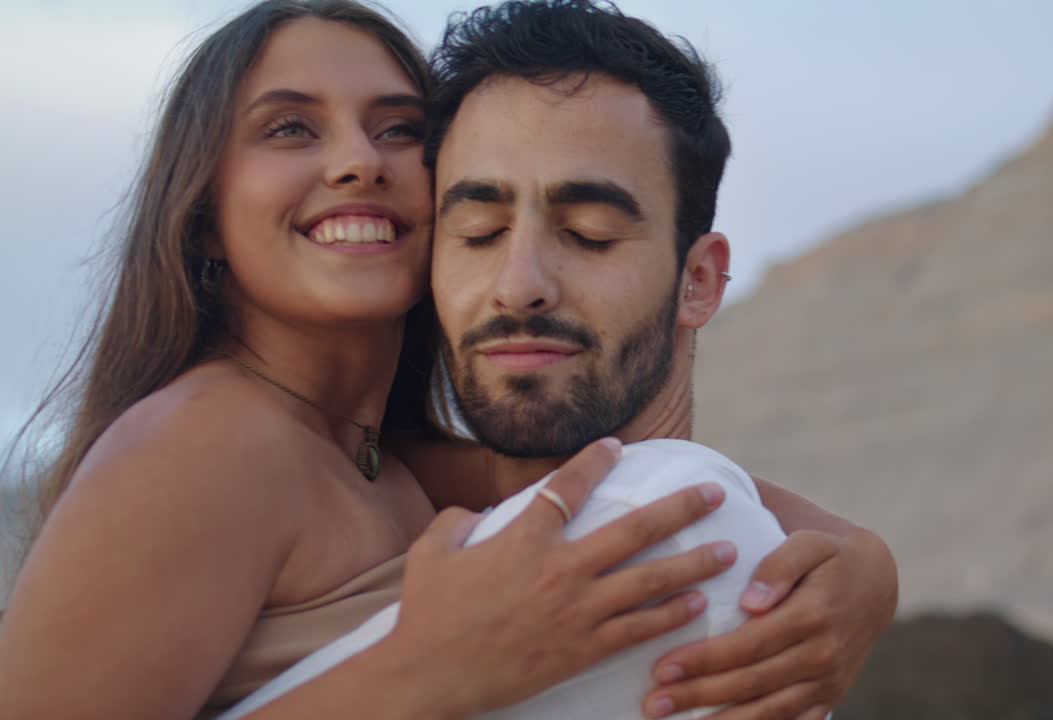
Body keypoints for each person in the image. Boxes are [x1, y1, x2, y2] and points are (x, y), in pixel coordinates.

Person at [0, 3, 744, 718]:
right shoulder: (203, 444)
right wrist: (419, 675)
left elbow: (653, 482)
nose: (359, 161)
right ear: (202, 220)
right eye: (290, 128)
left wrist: (855, 564)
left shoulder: (384, 463)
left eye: (397, 129)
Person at [230, 2, 898, 718]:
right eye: (479, 234)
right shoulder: (370, 480)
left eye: (590, 234)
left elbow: (660, 495)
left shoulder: (671, 535)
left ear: (697, 281)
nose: (520, 285)